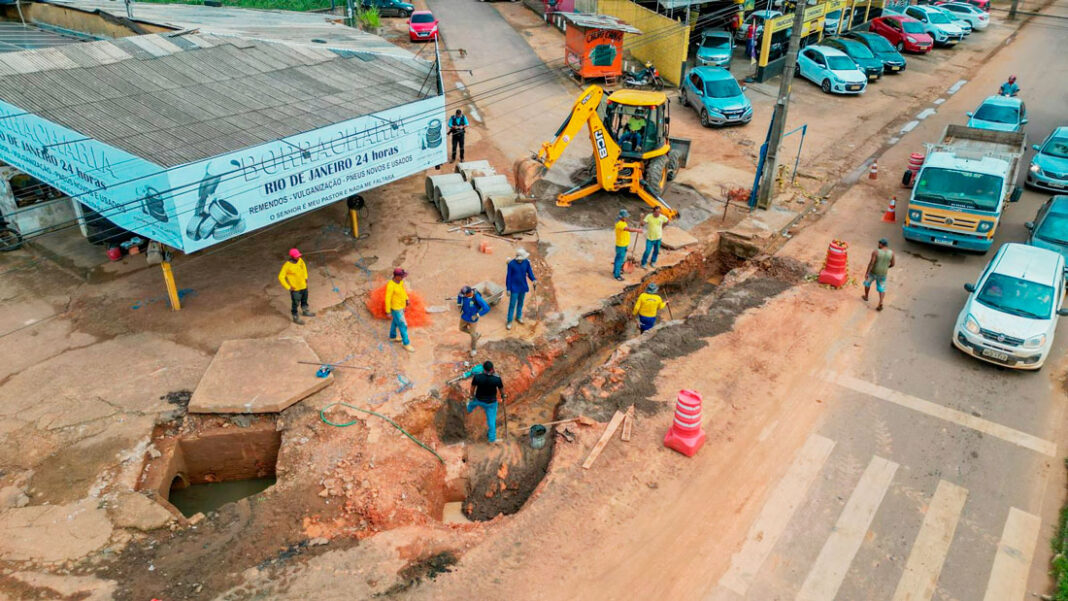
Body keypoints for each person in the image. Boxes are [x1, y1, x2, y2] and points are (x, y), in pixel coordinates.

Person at [467, 361, 506, 443]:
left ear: (483, 369)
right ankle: (492, 439)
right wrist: (503, 396)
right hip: (491, 403)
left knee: (470, 405)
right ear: (492, 369)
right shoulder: (497, 379)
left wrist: (471, 395)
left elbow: (472, 388)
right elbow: (501, 390)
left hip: (478, 400)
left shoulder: (477, 377)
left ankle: (466, 411)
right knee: (491, 422)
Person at [278, 248, 315, 324]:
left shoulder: (300, 260)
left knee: (304, 300)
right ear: (292, 256)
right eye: (296, 256)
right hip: (295, 289)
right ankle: (295, 316)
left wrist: (306, 277)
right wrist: (288, 287)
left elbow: (304, 267)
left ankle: (305, 311)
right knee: (295, 303)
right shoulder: (287, 265)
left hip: (303, 286)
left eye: (298, 255)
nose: (298, 257)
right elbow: (280, 277)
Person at [505, 247, 537, 330]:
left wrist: (533, 279)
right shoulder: (511, 264)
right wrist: (508, 289)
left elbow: (529, 272)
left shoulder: (526, 262)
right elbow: (508, 277)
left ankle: (518, 317)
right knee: (512, 305)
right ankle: (509, 321)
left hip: (522, 286)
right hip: (514, 288)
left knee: (521, 303)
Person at [385, 268, 415, 352]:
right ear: (397, 276)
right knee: (403, 325)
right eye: (402, 276)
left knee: (395, 322)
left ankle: (392, 337)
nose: (403, 278)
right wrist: (388, 311)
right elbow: (387, 299)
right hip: (396, 309)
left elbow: (403, 291)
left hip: (401, 306)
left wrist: (406, 299)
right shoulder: (390, 285)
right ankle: (406, 343)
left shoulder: (400, 282)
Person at [862, 238, 896, 312]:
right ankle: (880, 302)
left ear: (881, 244)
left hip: (874, 272)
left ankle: (866, 296)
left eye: (879, 243)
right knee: (881, 288)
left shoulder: (876, 252)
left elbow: (872, 263)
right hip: (883, 274)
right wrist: (887, 267)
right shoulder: (891, 253)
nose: (878, 245)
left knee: (867, 283)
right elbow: (893, 264)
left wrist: (867, 272)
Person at [457, 285, 491, 356]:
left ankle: (473, 349)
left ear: (469, 293)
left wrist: (477, 315)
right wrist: (459, 304)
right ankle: (476, 335)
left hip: (473, 319)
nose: (463, 296)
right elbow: (459, 296)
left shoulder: (477, 298)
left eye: (464, 295)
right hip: (464, 316)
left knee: (472, 335)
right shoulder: (463, 295)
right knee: (461, 328)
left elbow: (487, 308)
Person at [613, 210, 642, 281]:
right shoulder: (620, 224)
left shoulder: (622, 222)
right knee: (619, 260)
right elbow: (628, 229)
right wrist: (637, 230)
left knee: (619, 259)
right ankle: (617, 275)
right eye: (626, 217)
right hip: (621, 245)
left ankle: (616, 271)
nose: (627, 218)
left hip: (623, 244)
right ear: (622, 217)